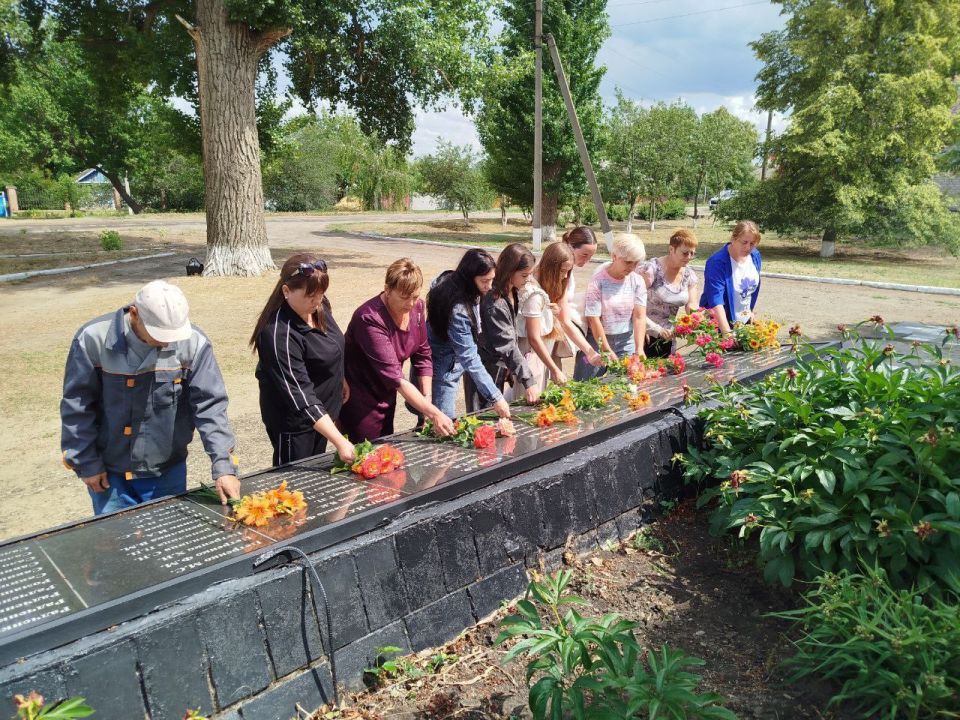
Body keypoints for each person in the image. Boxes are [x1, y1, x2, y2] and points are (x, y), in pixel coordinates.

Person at [61, 280, 240, 514]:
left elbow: (210, 407)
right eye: (159, 334)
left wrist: (224, 466)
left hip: (166, 471)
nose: (167, 342)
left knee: (168, 541)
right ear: (134, 314)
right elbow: (77, 406)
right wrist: (86, 463)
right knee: (119, 543)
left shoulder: (194, 343)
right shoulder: (92, 338)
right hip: (109, 474)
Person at [251, 254, 356, 467]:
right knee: (296, 483)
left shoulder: (319, 306)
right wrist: (339, 440)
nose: (317, 301)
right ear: (286, 291)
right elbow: (301, 397)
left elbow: (332, 345)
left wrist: (339, 377)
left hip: (323, 416)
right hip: (296, 424)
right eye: (310, 296)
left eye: (321, 294)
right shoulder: (278, 334)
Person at [339, 258, 455, 442]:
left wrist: (426, 400)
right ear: (387, 289)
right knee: (368, 453)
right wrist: (434, 414)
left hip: (388, 392)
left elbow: (423, 355)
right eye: (404, 297)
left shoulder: (417, 308)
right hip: (360, 396)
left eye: (415, 296)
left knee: (386, 447)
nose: (410, 304)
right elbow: (395, 377)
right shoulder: (369, 318)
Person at [427, 248, 511, 420]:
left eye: (492, 279)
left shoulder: (458, 284)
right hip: (443, 367)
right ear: (469, 277)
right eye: (484, 281)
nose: (489, 286)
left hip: (450, 360)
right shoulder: (458, 309)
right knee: (443, 423)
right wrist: (496, 397)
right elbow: (469, 357)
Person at [574, 234, 648, 381]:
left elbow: (639, 316)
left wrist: (639, 348)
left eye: (636, 263)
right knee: (587, 385)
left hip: (626, 341)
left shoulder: (637, 281)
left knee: (628, 384)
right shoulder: (598, 282)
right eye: (628, 262)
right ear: (614, 256)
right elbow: (593, 319)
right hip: (597, 341)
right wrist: (605, 349)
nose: (632, 268)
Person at [478, 243, 541, 405]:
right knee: (484, 414)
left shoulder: (512, 291)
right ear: (510, 271)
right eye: (525, 275)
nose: (528, 280)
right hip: (486, 366)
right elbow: (507, 345)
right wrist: (529, 381)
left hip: (500, 364)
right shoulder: (495, 302)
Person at [512, 241, 575, 394]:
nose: (565, 276)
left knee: (538, 392)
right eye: (562, 271)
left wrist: (550, 310)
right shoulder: (533, 293)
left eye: (568, 271)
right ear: (550, 267)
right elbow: (533, 337)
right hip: (531, 353)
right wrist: (554, 369)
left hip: (542, 350)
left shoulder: (544, 290)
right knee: (529, 395)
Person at [638, 228, 699, 357]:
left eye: (692, 254)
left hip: (668, 335)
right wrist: (646, 328)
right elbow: (634, 303)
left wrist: (698, 324)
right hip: (645, 333)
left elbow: (692, 305)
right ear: (672, 249)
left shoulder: (689, 274)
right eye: (685, 253)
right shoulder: (651, 270)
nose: (689, 257)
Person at [700, 220, 762, 335]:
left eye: (752, 243)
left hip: (743, 323)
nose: (748, 247)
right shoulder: (717, 262)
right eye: (744, 242)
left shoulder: (755, 256)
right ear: (733, 239)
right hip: (719, 323)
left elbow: (750, 290)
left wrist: (750, 312)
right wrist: (726, 332)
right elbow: (715, 299)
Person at [557, 226, 604, 369]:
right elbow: (564, 319)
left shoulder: (567, 270)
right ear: (570, 247)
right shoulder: (561, 271)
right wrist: (589, 351)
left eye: (590, 257)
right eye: (584, 255)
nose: (587, 261)